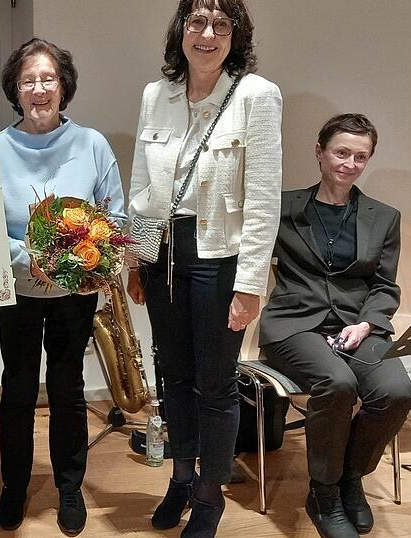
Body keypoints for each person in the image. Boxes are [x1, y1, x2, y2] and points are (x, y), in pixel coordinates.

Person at [126, 0, 282, 535]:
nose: (208, 34)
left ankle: (211, 495)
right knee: (173, 374)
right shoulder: (156, 94)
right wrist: (137, 258)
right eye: (197, 22)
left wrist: (250, 285)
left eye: (220, 23)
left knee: (214, 384)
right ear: (182, 31)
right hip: (163, 252)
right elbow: (143, 187)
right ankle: (180, 477)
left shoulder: (257, 96)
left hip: (220, 258)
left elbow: (263, 199)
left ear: (235, 34)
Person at [0, 38, 126, 535]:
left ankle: (69, 486)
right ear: (14, 90)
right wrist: (32, 257)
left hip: (75, 294)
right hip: (18, 291)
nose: (38, 89)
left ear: (63, 87)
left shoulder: (92, 144)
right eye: (28, 81)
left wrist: (83, 262)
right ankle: (14, 487)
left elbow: (115, 215)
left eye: (48, 79)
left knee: (68, 390)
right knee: (17, 389)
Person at [259, 114, 411, 538]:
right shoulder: (282, 207)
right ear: (320, 152)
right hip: (295, 324)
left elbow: (384, 286)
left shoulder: (384, 216)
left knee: (396, 391)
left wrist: (367, 323)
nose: (349, 163)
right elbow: (247, 257)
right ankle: (324, 492)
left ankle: (350, 478)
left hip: (357, 326)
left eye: (360, 157)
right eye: (341, 152)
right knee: (337, 383)